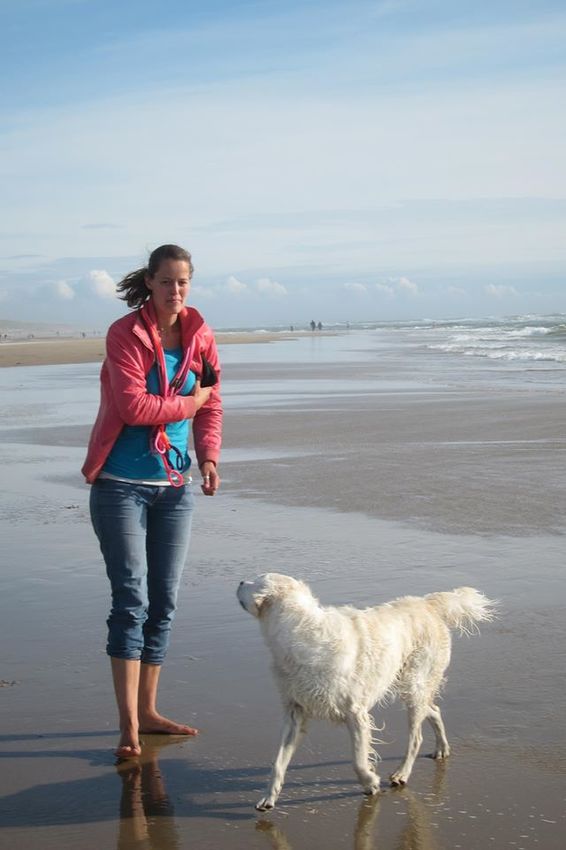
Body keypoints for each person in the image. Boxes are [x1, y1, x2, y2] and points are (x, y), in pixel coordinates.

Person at [82, 243, 222, 759]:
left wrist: (208, 456)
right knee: (131, 600)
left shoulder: (200, 335)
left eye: (183, 282)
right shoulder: (125, 334)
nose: (175, 291)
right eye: (166, 282)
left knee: (163, 602)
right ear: (150, 282)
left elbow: (213, 403)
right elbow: (133, 407)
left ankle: (148, 711)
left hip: (175, 488)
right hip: (120, 485)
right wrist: (191, 402)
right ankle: (128, 726)